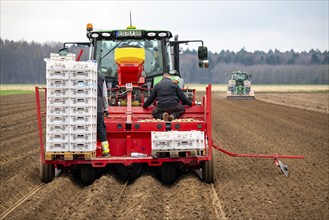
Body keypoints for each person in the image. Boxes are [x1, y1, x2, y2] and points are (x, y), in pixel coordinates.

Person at [97, 74, 110, 157]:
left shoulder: (82, 74)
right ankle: (105, 152)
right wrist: (106, 108)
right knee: (101, 129)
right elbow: (104, 95)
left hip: (83, 108)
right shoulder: (101, 78)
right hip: (98, 107)